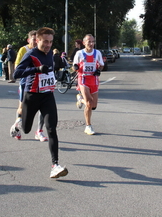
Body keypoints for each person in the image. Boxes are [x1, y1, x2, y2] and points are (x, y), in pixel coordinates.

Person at [13, 27, 68, 179]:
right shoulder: (31, 54)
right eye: (45, 42)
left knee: (51, 129)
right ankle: (17, 123)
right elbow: (16, 73)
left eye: (50, 42)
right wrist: (36, 69)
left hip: (47, 96)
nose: (48, 45)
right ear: (37, 40)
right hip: (31, 96)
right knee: (26, 129)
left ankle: (55, 165)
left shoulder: (50, 52)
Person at [10, 30, 47, 142]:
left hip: (40, 84)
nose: (36, 42)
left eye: (37, 39)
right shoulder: (24, 50)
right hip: (26, 83)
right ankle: (17, 127)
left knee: (43, 107)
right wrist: (34, 70)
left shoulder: (43, 51)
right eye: (33, 39)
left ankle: (39, 131)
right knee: (22, 108)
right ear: (29, 40)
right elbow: (18, 68)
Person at [73, 34, 104, 135]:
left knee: (93, 106)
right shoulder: (79, 53)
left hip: (94, 80)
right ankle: (88, 126)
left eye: (93, 42)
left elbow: (101, 66)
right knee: (89, 103)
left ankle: (80, 99)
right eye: (89, 41)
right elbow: (74, 67)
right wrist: (76, 67)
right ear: (84, 43)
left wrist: (98, 70)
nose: (91, 44)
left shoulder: (97, 53)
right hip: (83, 79)